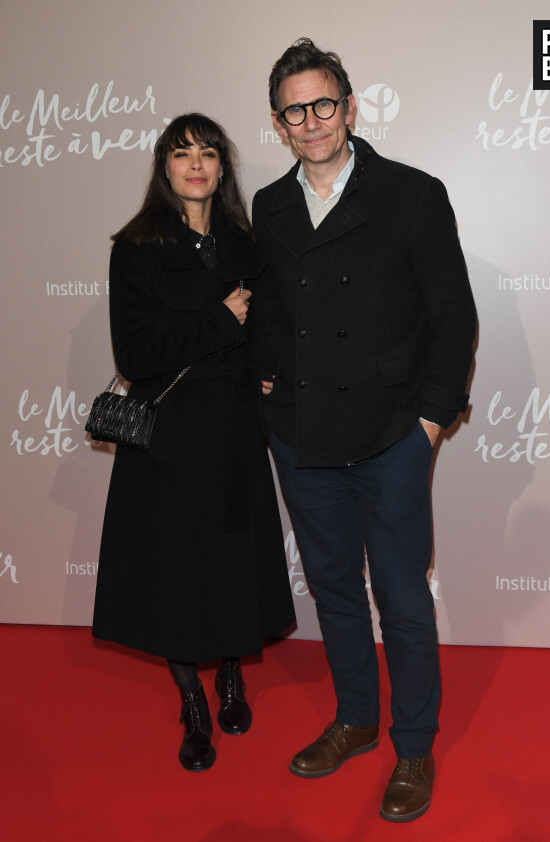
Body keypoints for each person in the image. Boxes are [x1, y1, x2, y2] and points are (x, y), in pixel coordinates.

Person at [252, 39, 477, 821]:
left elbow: (453, 318)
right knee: (336, 589)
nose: (310, 121)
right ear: (277, 124)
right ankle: (355, 719)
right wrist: (267, 382)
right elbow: (274, 311)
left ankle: (412, 745)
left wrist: (429, 420)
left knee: (402, 596)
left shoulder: (413, 195)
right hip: (304, 432)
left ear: (349, 107)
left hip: (391, 432)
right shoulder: (271, 207)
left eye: (323, 104)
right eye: (294, 110)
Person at [92, 113, 296, 772]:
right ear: (164, 167)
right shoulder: (138, 246)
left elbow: (270, 330)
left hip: (236, 432)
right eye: (183, 154)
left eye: (208, 153)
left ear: (222, 166)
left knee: (232, 565)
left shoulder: (244, 242)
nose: (197, 165)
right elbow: (136, 353)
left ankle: (231, 676)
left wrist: (267, 374)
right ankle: (193, 704)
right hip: (170, 441)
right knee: (176, 575)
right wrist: (216, 322)